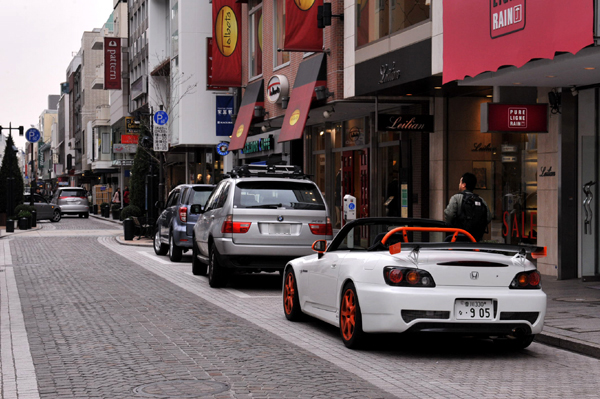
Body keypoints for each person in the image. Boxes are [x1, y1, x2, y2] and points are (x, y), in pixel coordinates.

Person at [444, 172, 492, 241]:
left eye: (460, 182)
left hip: (458, 238)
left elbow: (449, 215)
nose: (459, 184)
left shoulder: (456, 198)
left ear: (464, 185)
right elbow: (488, 217)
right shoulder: (481, 200)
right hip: (475, 239)